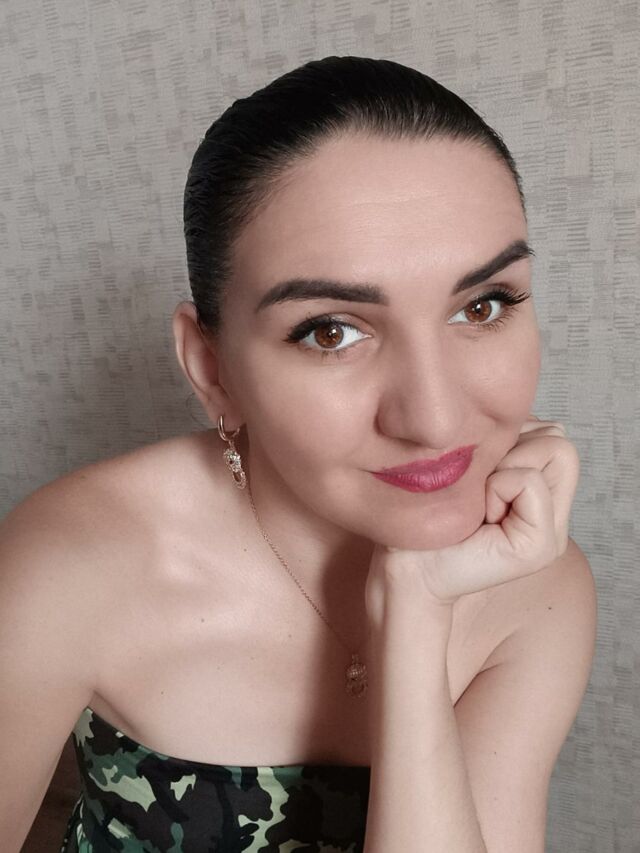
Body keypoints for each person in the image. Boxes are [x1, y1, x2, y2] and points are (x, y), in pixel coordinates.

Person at [0, 55, 597, 852]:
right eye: (331, 331)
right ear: (212, 369)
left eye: (483, 305)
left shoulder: (537, 586)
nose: (434, 417)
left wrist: (415, 608)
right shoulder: (71, 562)